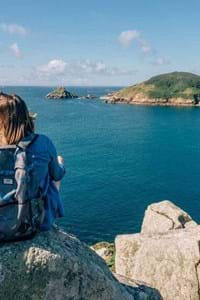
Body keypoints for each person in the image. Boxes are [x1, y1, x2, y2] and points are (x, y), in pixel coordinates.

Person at [0, 92, 65, 231]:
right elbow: (57, 175)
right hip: (36, 223)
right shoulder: (43, 142)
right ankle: (51, 218)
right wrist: (61, 163)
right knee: (51, 175)